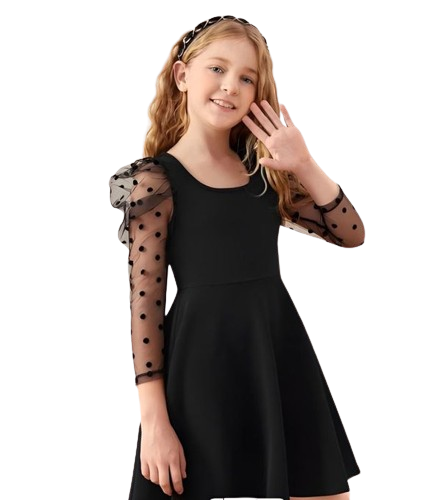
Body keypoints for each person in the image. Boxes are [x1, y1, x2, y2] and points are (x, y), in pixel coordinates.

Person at [109, 15, 364, 500]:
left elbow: (351, 234)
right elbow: (146, 303)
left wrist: (303, 162)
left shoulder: (263, 169)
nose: (231, 86)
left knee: (325, 493)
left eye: (247, 78)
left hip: (275, 350)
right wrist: (154, 421)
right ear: (182, 75)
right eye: (217, 68)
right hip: (203, 363)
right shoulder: (155, 180)